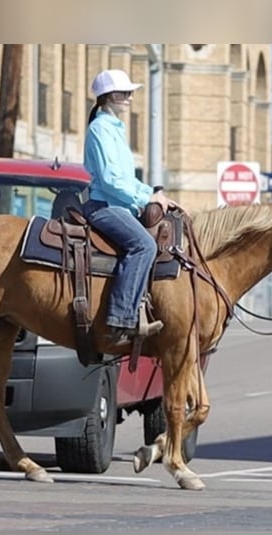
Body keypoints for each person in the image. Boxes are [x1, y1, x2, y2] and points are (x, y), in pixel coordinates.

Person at [82, 69, 174, 346]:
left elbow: (126, 179)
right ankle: (121, 320)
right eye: (125, 93)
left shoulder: (113, 128)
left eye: (130, 92)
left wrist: (152, 194)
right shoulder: (100, 129)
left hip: (119, 205)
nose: (130, 97)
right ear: (108, 97)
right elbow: (111, 180)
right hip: (104, 206)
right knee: (143, 246)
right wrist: (148, 197)